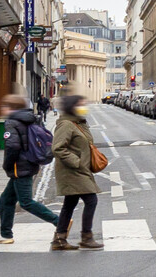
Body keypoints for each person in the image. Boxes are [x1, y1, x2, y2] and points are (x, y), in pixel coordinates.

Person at [0, 94, 60, 246]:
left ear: (11, 108)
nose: (3, 109)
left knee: (26, 202)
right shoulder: (31, 119)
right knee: (6, 200)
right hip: (29, 163)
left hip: (19, 167)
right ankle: (5, 234)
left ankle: (59, 222)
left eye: (5, 106)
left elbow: (13, 146)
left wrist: (7, 165)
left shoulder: (12, 122)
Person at [49, 95, 102, 251]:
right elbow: (58, 148)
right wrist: (76, 162)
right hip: (72, 170)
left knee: (70, 203)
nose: (84, 106)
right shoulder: (66, 124)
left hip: (79, 170)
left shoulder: (78, 123)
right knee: (91, 200)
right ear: (72, 107)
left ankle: (59, 239)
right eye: (80, 104)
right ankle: (86, 237)